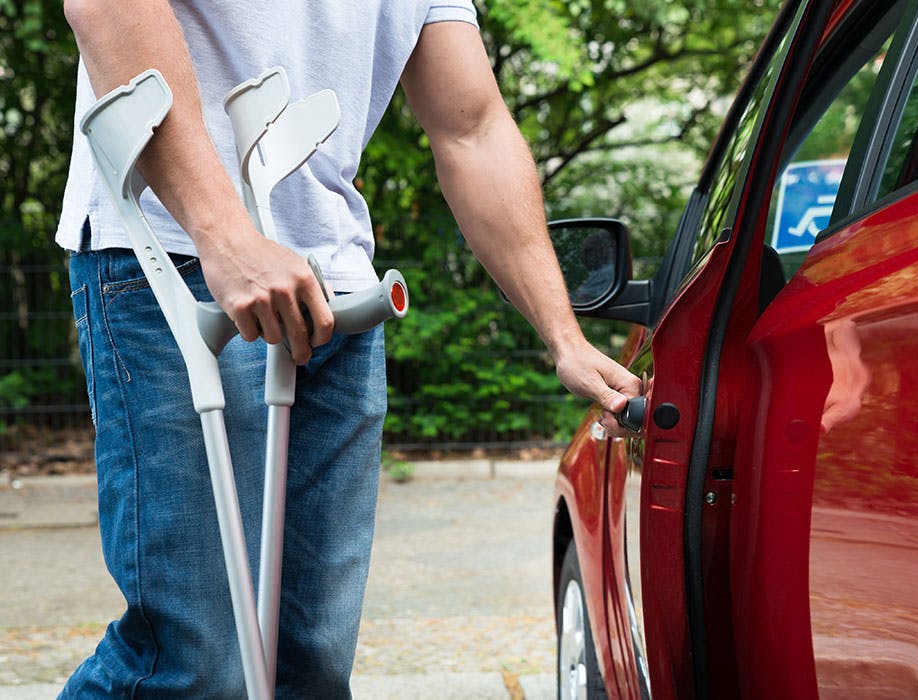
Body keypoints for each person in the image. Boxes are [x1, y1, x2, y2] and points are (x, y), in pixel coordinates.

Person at [57, 0, 641, 696]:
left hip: (335, 290)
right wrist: (226, 234)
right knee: (196, 662)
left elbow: (472, 128)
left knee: (309, 663)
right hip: (175, 257)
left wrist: (563, 335)